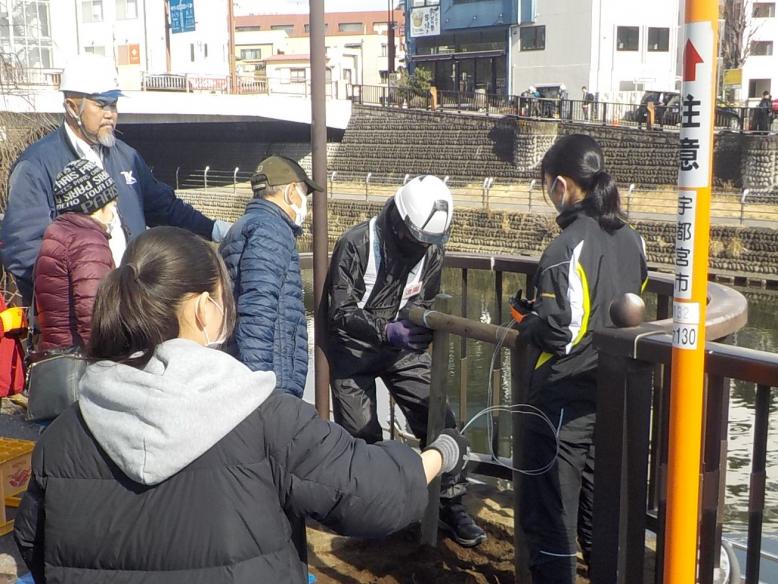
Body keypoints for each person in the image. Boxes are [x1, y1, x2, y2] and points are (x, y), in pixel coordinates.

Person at [13, 226, 469, 583]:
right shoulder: (267, 418)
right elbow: (373, 494)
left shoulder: (65, 436)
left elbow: (35, 546)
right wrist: (439, 454)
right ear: (203, 310)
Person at [322, 175, 486, 548]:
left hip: (400, 349)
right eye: (418, 240)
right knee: (362, 436)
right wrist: (384, 330)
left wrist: (418, 326)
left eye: (430, 242)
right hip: (353, 350)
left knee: (439, 417)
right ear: (398, 223)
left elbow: (423, 299)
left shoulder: (432, 250)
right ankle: (378, 513)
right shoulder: (357, 243)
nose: (423, 248)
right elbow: (340, 311)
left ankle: (449, 503)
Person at [515, 134, 647, 583]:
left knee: (550, 517)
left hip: (560, 400)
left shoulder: (565, 247)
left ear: (562, 186)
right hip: (610, 395)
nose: (547, 194)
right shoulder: (634, 241)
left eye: (546, 184)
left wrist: (528, 321)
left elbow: (560, 332)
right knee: (598, 513)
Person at [0, 54, 230, 305]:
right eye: (101, 105)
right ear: (71, 106)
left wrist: (214, 229)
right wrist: (80, 292)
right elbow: (23, 249)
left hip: (135, 302)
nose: (111, 114)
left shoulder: (125, 156)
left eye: (114, 104)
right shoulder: (37, 165)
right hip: (83, 313)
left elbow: (164, 207)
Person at [220, 156, 318, 397]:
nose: (305, 204)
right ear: (290, 191)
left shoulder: (246, 225)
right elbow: (258, 307)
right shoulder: (270, 231)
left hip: (257, 370)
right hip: (272, 375)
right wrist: (260, 386)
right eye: (304, 194)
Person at [33, 159, 117, 352]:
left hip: (56, 355)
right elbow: (94, 311)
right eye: (112, 204)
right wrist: (106, 359)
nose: (113, 212)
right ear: (96, 204)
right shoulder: (88, 241)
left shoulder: (57, 233)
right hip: (80, 358)